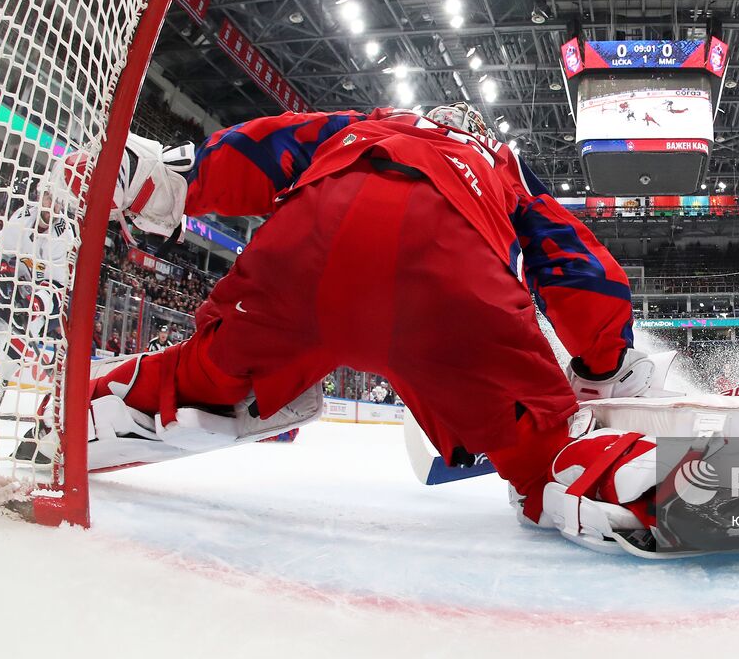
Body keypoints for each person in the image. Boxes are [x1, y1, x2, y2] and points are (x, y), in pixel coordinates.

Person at [64, 103, 700, 552]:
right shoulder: (497, 162)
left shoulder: (365, 124)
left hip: (301, 254)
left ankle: (75, 420)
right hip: (448, 283)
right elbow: (576, 265)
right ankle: (673, 487)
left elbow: (262, 149)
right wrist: (601, 363)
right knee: (548, 452)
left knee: (204, 373)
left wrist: (173, 183)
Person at [0, 176, 76, 413]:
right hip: (17, 280)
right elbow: (2, 250)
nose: (50, 204)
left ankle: (0, 383)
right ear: (40, 195)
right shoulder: (23, 215)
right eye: (47, 197)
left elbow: (57, 283)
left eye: (56, 201)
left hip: (48, 295)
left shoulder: (64, 235)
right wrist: (2, 276)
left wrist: (35, 305)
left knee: (27, 330)